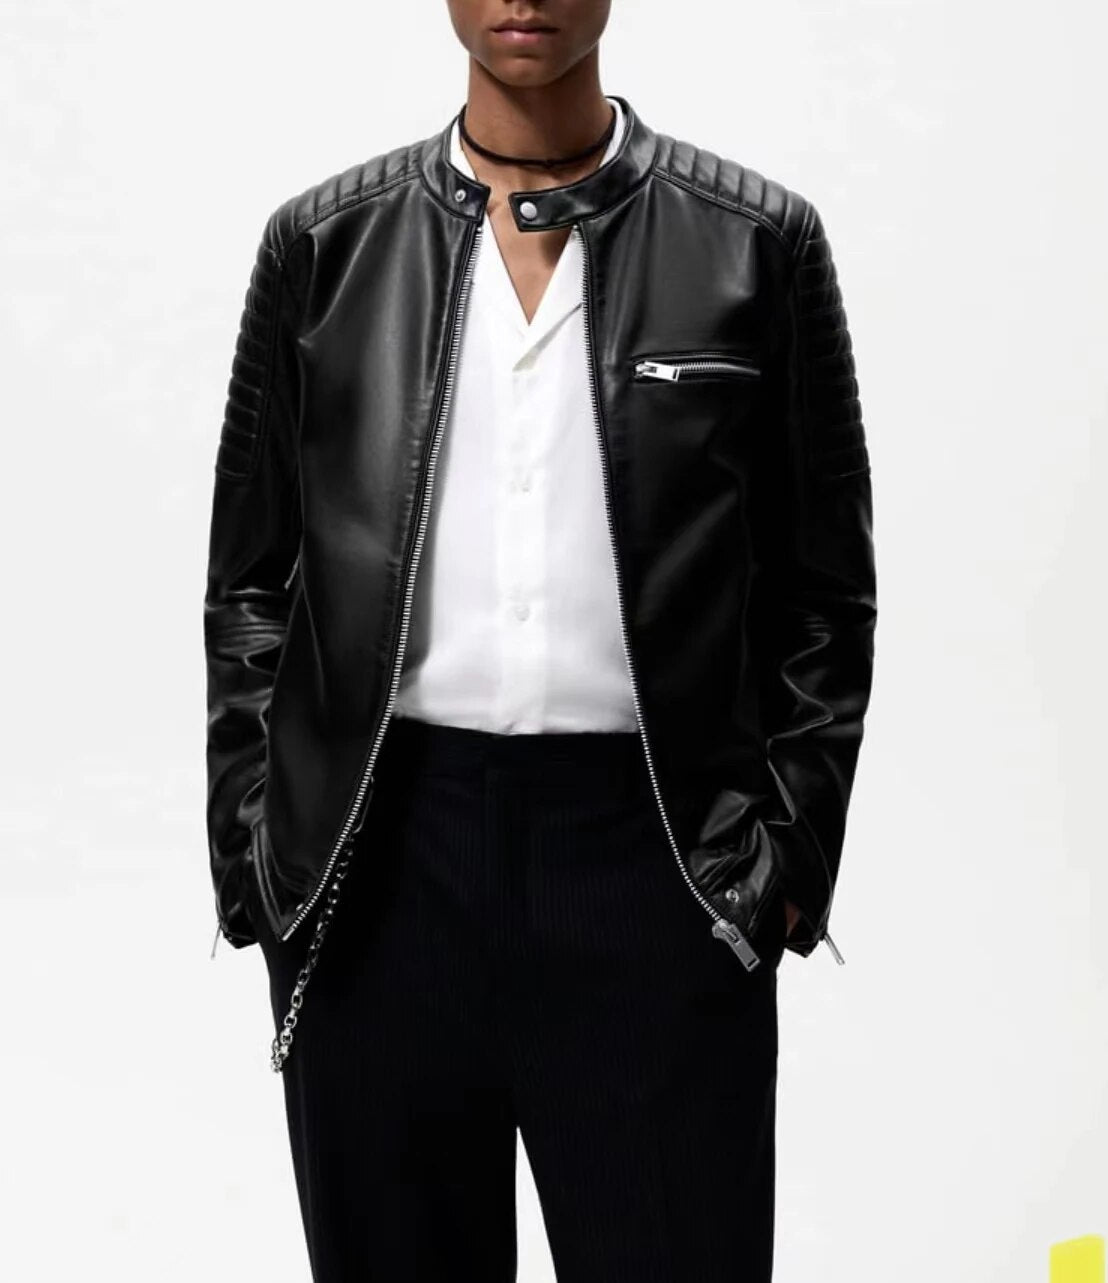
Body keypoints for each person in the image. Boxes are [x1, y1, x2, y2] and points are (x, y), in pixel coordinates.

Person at [203, 1, 877, 1278]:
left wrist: (783, 859)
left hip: (660, 863)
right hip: (380, 867)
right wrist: (257, 852)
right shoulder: (324, 243)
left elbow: (823, 592)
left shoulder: (753, 241)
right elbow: (250, 581)